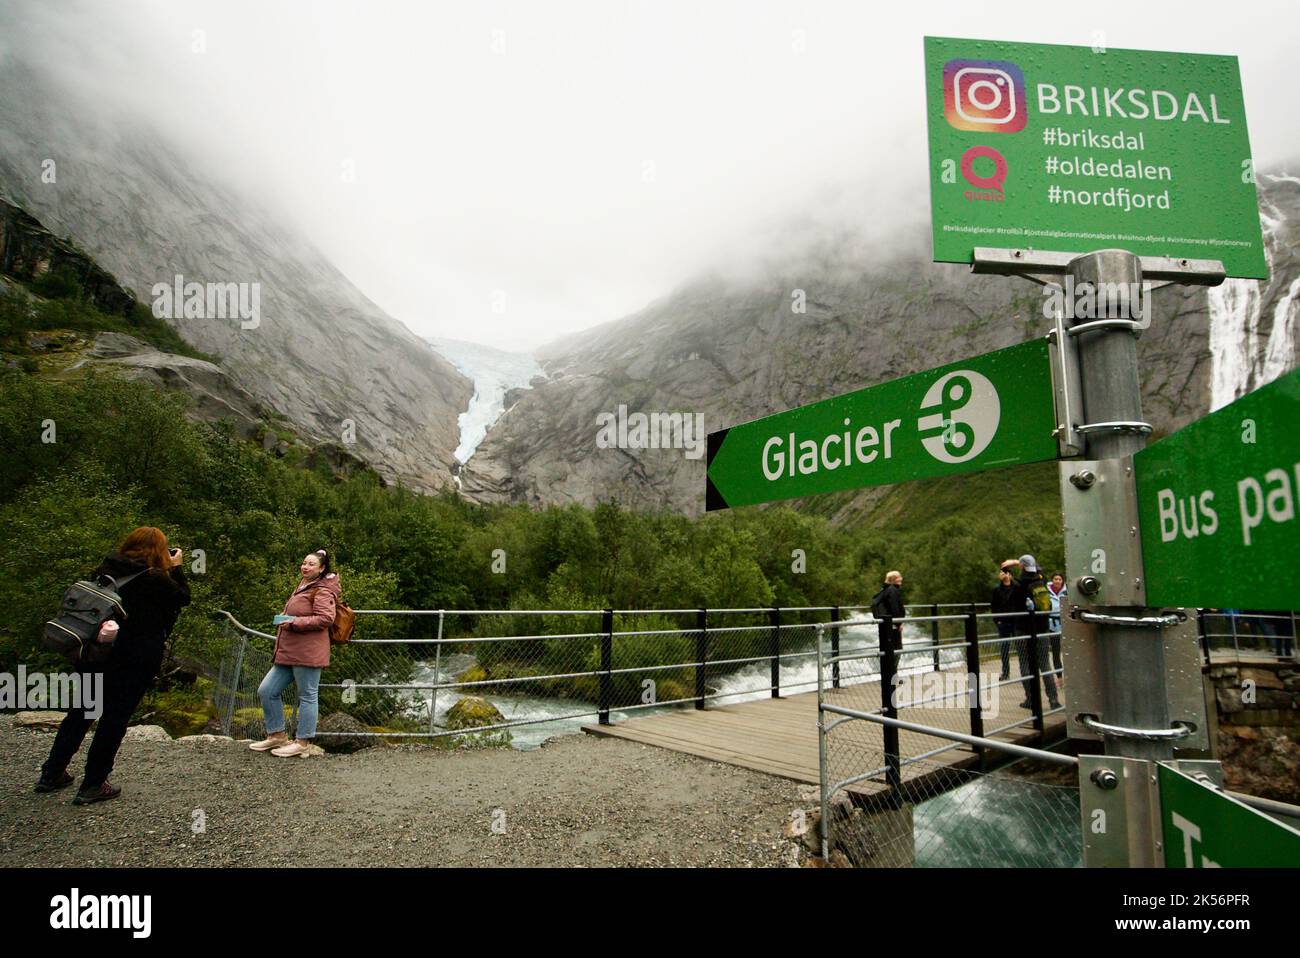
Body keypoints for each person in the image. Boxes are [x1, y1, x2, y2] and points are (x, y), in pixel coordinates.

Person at [37, 527, 191, 804]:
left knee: (81, 712)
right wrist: (177, 569)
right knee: (114, 719)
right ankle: (93, 783)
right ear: (160, 551)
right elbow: (183, 599)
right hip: (134, 658)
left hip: (97, 652)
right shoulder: (155, 578)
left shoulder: (106, 568)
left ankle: (52, 772)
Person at [250, 549, 339, 757]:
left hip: (307, 653)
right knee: (267, 691)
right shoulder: (304, 584)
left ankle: (302, 741)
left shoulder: (323, 590)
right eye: (304, 563)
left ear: (322, 569)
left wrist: (293, 622)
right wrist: (285, 617)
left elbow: (326, 618)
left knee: (307, 695)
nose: (305, 567)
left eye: (311, 564)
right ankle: (277, 736)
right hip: (289, 651)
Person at [1009, 554, 1060, 711]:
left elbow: (1012, 602)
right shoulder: (1042, 580)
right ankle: (1053, 700)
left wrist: (1013, 564)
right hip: (1042, 628)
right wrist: (1023, 562)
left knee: (1025, 664)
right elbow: (1040, 570)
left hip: (1023, 629)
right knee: (1044, 664)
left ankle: (1031, 699)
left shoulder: (1018, 584)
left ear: (1022, 567)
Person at [989, 562, 1019, 681]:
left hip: (1016, 622)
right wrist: (997, 621)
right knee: (1004, 649)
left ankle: (1025, 671)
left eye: (1007, 573)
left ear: (1011, 576)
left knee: (1020, 646)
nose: (1005, 575)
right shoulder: (997, 590)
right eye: (1003, 573)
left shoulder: (1016, 588)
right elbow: (994, 606)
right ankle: (1005, 673)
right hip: (1003, 623)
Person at [871, 570, 906, 649]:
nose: (901, 579)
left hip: (884, 624)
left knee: (887, 649)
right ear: (893, 579)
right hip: (892, 624)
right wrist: (898, 624)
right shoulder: (893, 590)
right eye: (899, 577)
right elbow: (894, 608)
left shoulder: (884, 590)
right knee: (896, 649)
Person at [1047, 571, 1067, 680]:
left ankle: (1071, 676)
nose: (1057, 581)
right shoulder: (1047, 591)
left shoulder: (1067, 591)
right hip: (1052, 626)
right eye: (1055, 579)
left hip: (1065, 625)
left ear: (1062, 581)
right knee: (1055, 651)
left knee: (1069, 651)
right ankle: (1059, 677)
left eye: (1059, 579)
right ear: (1052, 580)